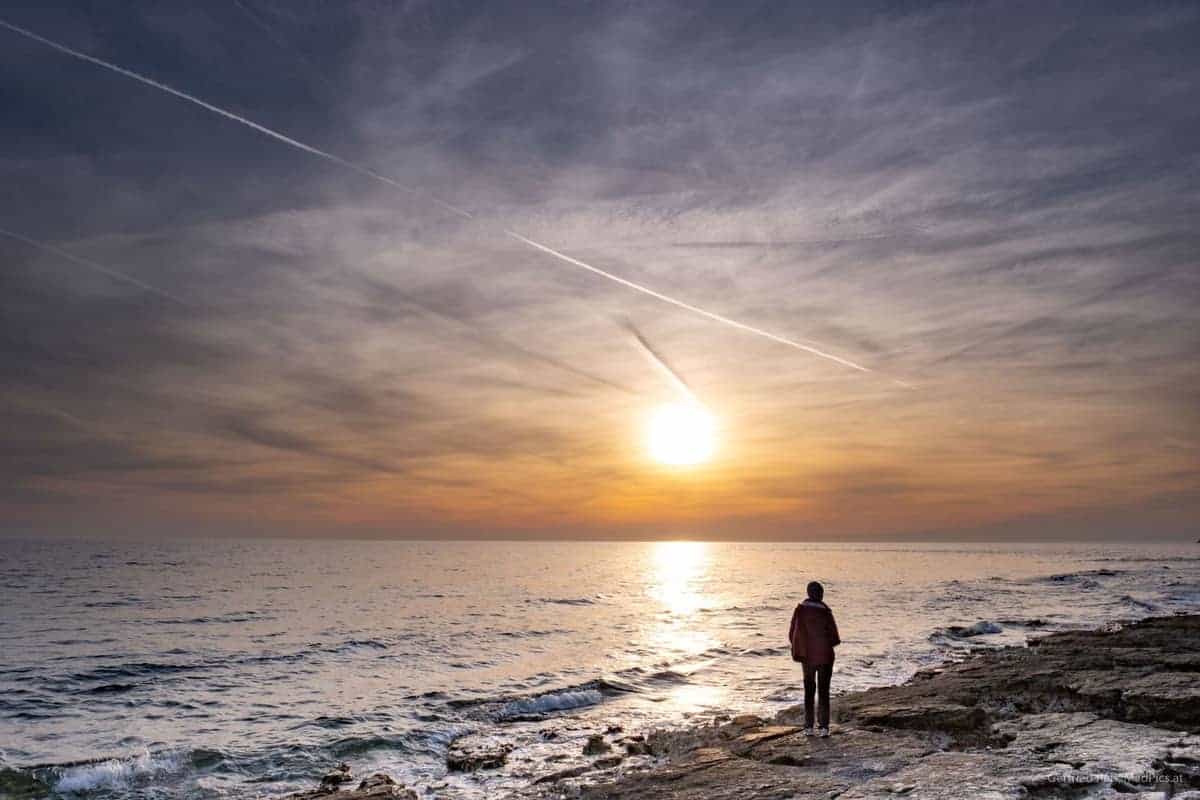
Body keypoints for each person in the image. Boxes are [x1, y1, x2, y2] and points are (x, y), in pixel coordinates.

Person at [788, 580, 841, 737]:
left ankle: (808, 727)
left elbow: (792, 633)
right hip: (825, 656)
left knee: (809, 691)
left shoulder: (800, 610)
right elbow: (834, 637)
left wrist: (801, 647)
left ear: (808, 593)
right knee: (824, 691)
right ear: (820, 594)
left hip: (807, 656)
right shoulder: (825, 611)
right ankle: (824, 727)